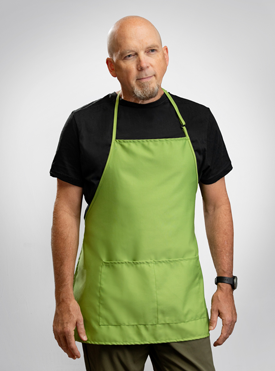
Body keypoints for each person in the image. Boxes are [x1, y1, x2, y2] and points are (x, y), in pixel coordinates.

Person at [50, 15, 237, 371]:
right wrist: (63, 298)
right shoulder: (84, 124)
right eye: (129, 55)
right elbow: (65, 212)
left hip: (180, 303)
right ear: (111, 66)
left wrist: (225, 284)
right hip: (108, 308)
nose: (144, 63)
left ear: (165, 55)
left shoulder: (199, 121)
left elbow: (217, 206)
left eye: (151, 50)